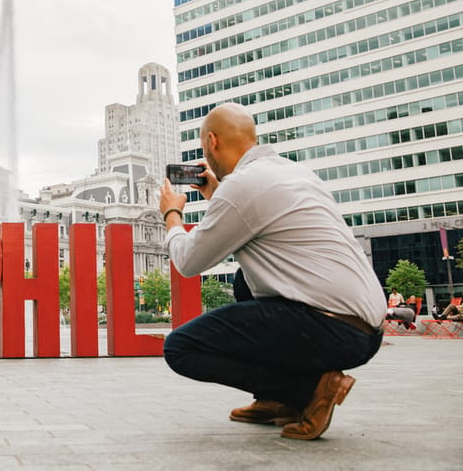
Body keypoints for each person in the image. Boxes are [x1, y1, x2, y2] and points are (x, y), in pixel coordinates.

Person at [158, 103, 385, 441]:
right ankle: (277, 400)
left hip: (330, 328)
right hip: (366, 329)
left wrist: (172, 215)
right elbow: (257, 214)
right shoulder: (296, 172)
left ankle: (305, 391)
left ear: (212, 141)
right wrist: (215, 193)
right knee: (243, 281)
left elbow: (188, 262)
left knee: (180, 348)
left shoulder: (242, 186)